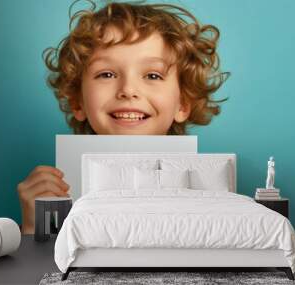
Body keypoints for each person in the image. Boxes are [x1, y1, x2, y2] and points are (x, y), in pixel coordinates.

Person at [17, 1, 230, 234]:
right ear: (77, 102)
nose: (128, 90)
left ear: (184, 103)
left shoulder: (209, 188)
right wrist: (32, 227)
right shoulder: (52, 192)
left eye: (152, 75)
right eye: (107, 74)